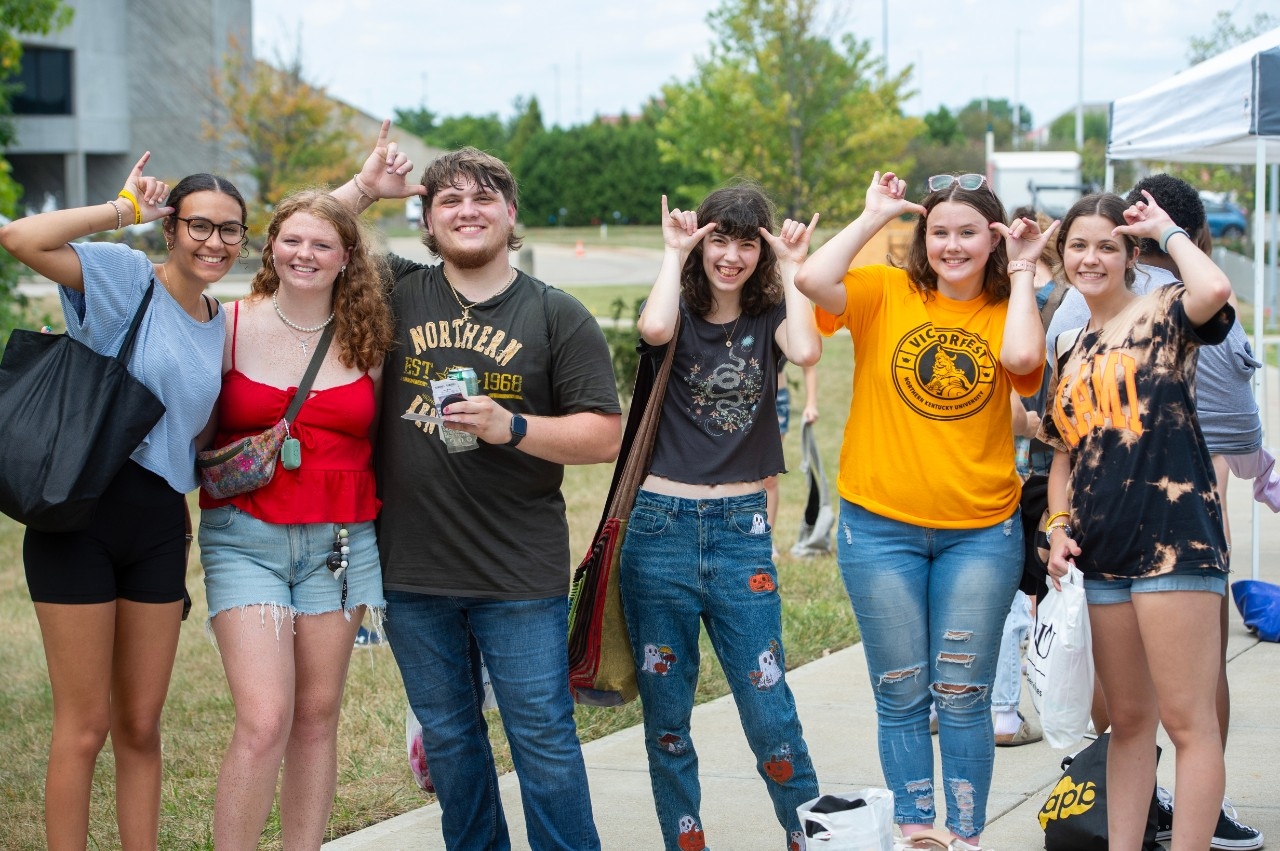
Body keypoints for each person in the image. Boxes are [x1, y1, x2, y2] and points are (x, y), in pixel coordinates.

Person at [332, 123, 622, 851]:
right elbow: (305, 232)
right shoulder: (396, 288)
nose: (468, 209)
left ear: (510, 215)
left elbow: (605, 433)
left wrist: (514, 428)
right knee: (454, 745)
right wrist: (369, 187)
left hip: (517, 572)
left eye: (484, 197)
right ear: (427, 219)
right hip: (412, 570)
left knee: (544, 742)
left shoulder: (556, 313)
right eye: (449, 199)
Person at [795, 171, 1053, 849]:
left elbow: (1025, 360)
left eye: (969, 232)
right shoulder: (886, 290)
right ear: (921, 238)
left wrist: (1022, 270)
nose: (951, 245)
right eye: (939, 231)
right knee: (902, 691)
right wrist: (872, 214)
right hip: (880, 527)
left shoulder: (1008, 308)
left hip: (981, 533)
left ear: (992, 238)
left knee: (963, 694)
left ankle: (965, 834)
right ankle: (918, 831)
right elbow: (812, 281)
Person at [0, 154, 245, 849]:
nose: (214, 243)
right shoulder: (123, 278)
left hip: (162, 525)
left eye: (230, 231)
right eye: (199, 225)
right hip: (80, 512)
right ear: (170, 228)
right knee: (84, 726)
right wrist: (121, 209)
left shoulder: (216, 321)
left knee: (140, 724)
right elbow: (19, 238)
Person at [1045, 175, 1264, 850]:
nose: (1091, 258)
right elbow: (1063, 455)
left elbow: (1216, 292)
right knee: (1129, 721)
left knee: (1188, 719)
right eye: (1077, 246)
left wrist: (1165, 228)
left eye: (1107, 246)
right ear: (1063, 256)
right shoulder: (1069, 346)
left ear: (1130, 255)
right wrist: (1056, 529)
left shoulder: (1168, 308)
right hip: (1103, 553)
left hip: (1175, 543)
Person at [621, 187, 822, 851]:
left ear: (760, 248)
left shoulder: (769, 315)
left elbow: (807, 348)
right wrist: (673, 253)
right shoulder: (676, 306)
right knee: (669, 718)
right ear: (701, 241)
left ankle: (809, 837)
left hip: (740, 532)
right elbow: (651, 331)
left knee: (770, 712)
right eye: (718, 239)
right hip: (659, 530)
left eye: (745, 241)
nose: (730, 255)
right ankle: (686, 840)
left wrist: (793, 266)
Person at [196, 191, 392, 848]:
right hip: (243, 538)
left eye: (322, 244)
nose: (304, 253)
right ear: (270, 246)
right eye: (292, 240)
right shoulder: (224, 323)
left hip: (340, 544)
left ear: (346, 259)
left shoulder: (370, 337)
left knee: (315, 714)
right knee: (264, 716)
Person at [764, 361, 819, 560]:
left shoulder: (785, 327)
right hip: (738, 397)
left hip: (777, 397)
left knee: (769, 476)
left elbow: (809, 362)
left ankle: (765, 539)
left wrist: (811, 403)